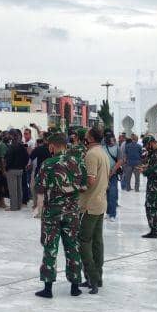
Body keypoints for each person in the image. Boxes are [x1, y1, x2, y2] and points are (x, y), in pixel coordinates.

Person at [35, 133, 87, 298]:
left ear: (52, 146)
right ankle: (75, 286)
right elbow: (84, 186)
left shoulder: (47, 164)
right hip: (72, 213)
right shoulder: (77, 162)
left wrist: (39, 211)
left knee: (50, 248)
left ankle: (48, 288)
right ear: (66, 145)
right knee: (73, 247)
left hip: (52, 213)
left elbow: (40, 191)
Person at [79, 126, 109, 294]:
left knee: (84, 241)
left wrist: (76, 188)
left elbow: (89, 180)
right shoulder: (102, 152)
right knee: (97, 241)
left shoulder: (91, 154)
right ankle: (98, 276)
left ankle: (92, 278)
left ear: (89, 138)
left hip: (90, 204)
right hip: (100, 202)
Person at [4, 133, 29, 211]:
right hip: (20, 169)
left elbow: (8, 159)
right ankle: (19, 205)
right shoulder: (22, 147)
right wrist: (23, 166)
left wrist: (7, 168)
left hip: (12, 170)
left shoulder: (11, 147)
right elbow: (27, 157)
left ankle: (13, 207)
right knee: (19, 188)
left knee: (13, 190)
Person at [102, 133, 121, 221]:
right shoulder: (103, 148)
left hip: (113, 175)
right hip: (103, 174)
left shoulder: (117, 148)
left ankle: (113, 214)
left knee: (112, 194)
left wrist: (113, 171)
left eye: (113, 141)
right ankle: (108, 212)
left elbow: (120, 160)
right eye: (111, 141)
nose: (112, 142)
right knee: (105, 195)